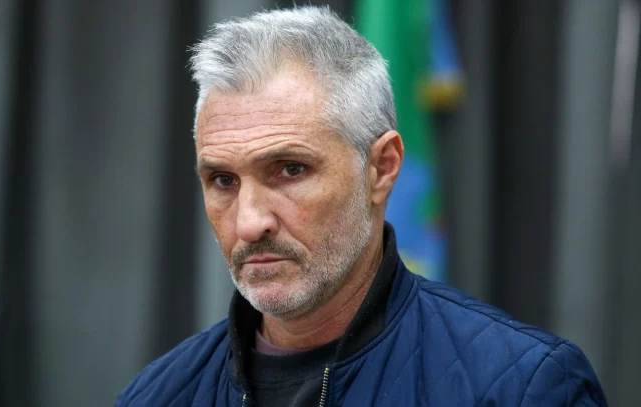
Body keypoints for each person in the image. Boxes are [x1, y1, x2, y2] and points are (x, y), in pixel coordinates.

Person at [115, 6, 606, 406]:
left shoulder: (521, 388)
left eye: (290, 170)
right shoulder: (156, 396)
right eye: (223, 180)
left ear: (382, 168)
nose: (249, 222)